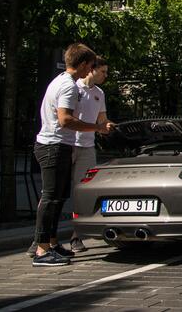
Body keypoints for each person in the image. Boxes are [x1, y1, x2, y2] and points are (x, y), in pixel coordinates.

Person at [31, 43, 113, 267]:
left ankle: (52, 243)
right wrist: (97, 128)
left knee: (57, 198)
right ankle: (41, 249)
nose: (91, 70)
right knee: (50, 198)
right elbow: (65, 119)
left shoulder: (60, 81)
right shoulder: (68, 86)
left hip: (57, 145)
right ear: (84, 64)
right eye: (91, 66)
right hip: (54, 145)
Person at [69, 56, 114, 252]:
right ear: (91, 70)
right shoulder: (73, 88)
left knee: (82, 193)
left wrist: (108, 127)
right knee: (55, 192)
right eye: (103, 71)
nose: (106, 75)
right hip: (68, 144)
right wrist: (97, 127)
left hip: (87, 147)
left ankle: (76, 237)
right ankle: (42, 238)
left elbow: (102, 120)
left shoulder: (99, 93)